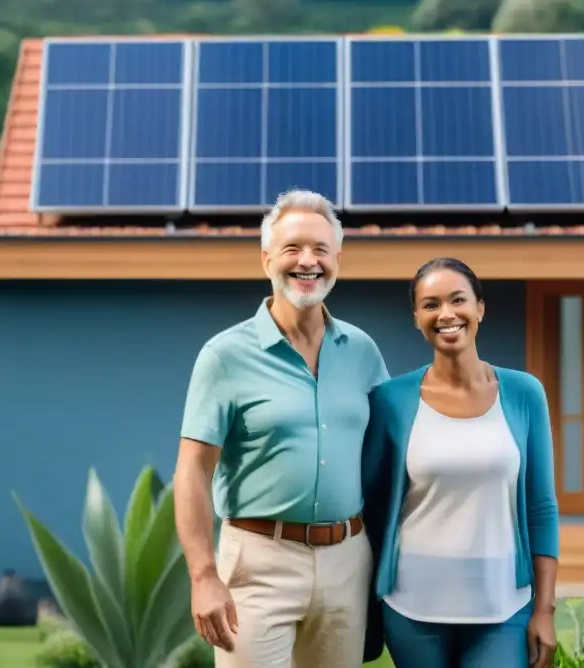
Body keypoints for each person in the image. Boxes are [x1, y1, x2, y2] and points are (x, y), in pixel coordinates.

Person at [174, 188, 389, 668]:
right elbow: (192, 471)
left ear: (338, 258)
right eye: (292, 248)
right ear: (267, 258)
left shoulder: (363, 352)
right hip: (256, 563)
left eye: (320, 249)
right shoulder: (224, 356)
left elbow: (391, 453)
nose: (307, 261)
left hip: (347, 562)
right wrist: (203, 575)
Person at [362, 257, 560, 668]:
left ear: (480, 308)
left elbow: (541, 508)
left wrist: (545, 609)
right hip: (411, 606)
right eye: (431, 304)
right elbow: (374, 507)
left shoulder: (524, 393)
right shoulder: (391, 400)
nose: (446, 314)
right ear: (417, 317)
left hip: (503, 606)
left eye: (458, 300)